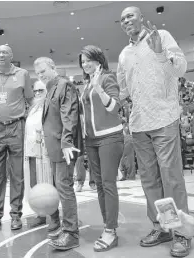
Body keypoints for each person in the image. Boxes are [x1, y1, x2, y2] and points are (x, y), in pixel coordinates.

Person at [117, 6, 191, 257]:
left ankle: (181, 233)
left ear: (140, 17)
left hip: (165, 118)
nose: (126, 20)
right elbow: (123, 90)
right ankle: (160, 226)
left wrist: (160, 52)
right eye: (123, 18)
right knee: (149, 180)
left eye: (130, 15)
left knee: (171, 178)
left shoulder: (162, 36)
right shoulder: (124, 53)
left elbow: (180, 69)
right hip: (139, 124)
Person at [0, 45, 33, 232]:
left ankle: (16, 215)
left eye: (5, 52)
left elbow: (31, 100)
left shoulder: (23, 74)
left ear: (12, 56)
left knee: (17, 175)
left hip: (16, 128)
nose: (1, 54)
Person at [79, 45, 124, 252]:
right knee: (98, 185)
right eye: (82, 61)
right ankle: (108, 226)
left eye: (88, 60)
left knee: (108, 184)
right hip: (92, 140)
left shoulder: (107, 78)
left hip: (110, 137)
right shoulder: (87, 83)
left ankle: (111, 230)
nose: (85, 64)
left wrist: (99, 88)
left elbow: (115, 107)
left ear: (99, 60)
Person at [34, 57, 81, 250]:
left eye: (43, 71)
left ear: (53, 67)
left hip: (64, 148)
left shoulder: (64, 86)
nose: (41, 75)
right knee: (60, 188)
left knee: (64, 188)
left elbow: (69, 116)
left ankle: (71, 233)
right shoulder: (50, 89)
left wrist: (67, 142)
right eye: (37, 73)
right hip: (54, 148)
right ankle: (65, 227)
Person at [24, 80, 52, 228]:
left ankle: (52, 215)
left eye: (40, 90)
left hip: (46, 153)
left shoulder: (50, 106)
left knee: (48, 184)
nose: (37, 93)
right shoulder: (32, 108)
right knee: (35, 185)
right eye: (35, 91)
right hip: (32, 153)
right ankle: (40, 213)